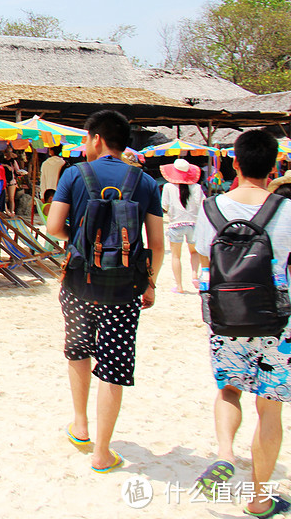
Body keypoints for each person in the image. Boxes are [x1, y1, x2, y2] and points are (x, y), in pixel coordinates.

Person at [45, 109, 164, 473]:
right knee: (113, 366)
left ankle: (80, 425)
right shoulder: (145, 182)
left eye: (85, 138)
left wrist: (80, 242)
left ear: (97, 138)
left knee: (78, 350)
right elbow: (156, 243)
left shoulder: (74, 175)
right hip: (125, 289)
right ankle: (103, 452)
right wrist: (151, 283)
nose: (85, 144)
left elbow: (53, 226)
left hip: (79, 283)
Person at [191, 130, 291, 517]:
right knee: (269, 409)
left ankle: (225, 453)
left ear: (234, 163)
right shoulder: (286, 210)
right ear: (274, 166)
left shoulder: (212, 208)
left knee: (229, 391)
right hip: (276, 323)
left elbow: (203, 258)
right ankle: (260, 499)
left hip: (226, 320)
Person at [160, 158, 203, 294]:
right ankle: (195, 275)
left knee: (176, 256)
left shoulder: (168, 187)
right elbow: (202, 204)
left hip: (175, 224)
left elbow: (164, 206)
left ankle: (179, 286)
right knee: (194, 252)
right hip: (194, 223)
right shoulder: (196, 187)